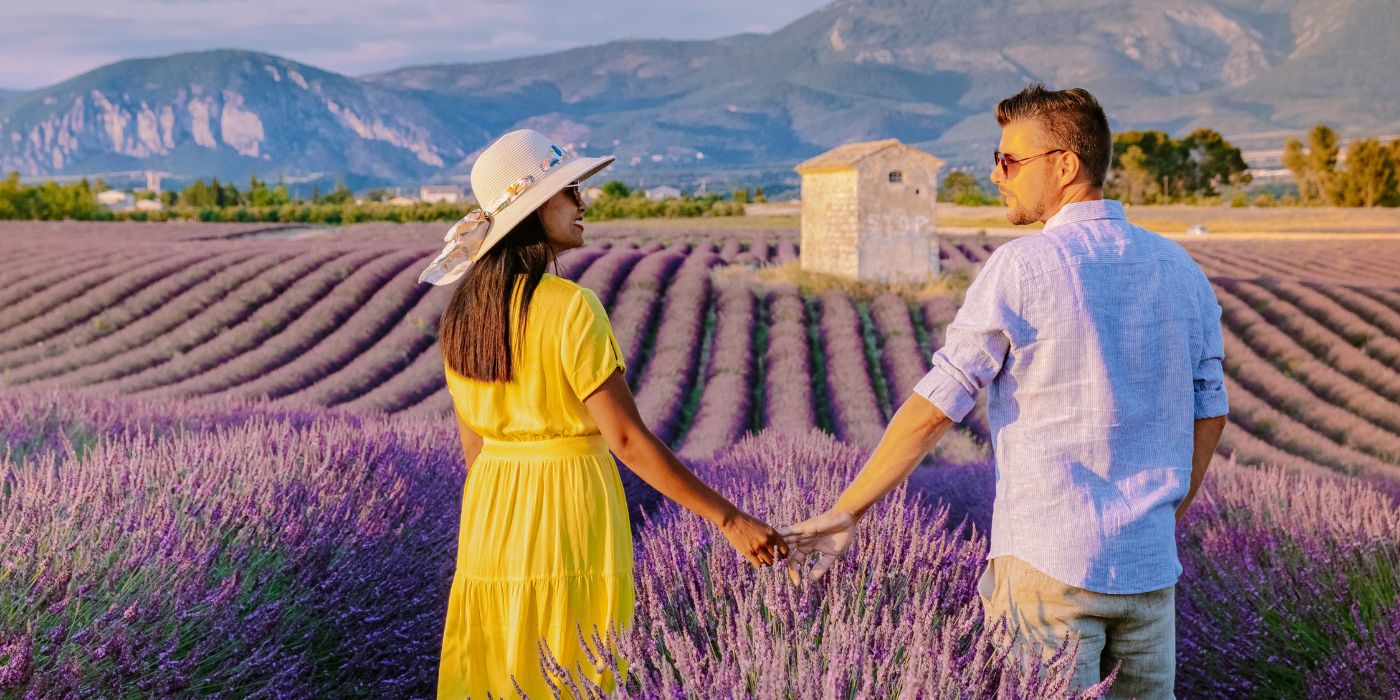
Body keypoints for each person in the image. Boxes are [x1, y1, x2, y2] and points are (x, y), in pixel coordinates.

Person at [778, 85, 1229, 699]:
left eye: (1009, 161)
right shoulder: (1181, 269)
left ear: (1064, 165)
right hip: (1150, 574)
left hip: (1049, 570)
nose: (996, 175)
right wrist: (1167, 508)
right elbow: (1210, 409)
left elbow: (938, 406)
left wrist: (846, 511)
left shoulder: (1025, 267)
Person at [425, 129, 788, 699]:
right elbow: (625, 437)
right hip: (567, 504)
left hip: (492, 512)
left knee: (497, 661)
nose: (583, 204)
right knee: (571, 660)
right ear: (534, 208)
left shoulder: (462, 314)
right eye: (570, 191)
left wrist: (501, 516)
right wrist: (730, 520)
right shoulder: (572, 307)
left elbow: (475, 447)